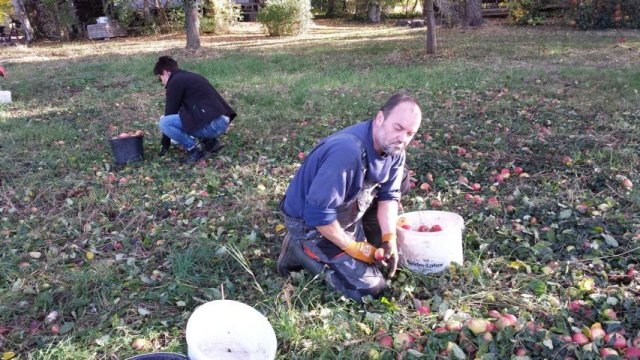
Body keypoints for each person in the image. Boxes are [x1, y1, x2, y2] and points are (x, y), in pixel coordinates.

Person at [276, 93, 422, 303]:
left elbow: (389, 197)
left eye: (410, 133)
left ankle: (353, 236)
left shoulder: (396, 149)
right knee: (370, 290)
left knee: (384, 261)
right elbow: (318, 216)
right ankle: (299, 249)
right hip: (310, 223)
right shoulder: (347, 152)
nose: (403, 138)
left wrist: (388, 237)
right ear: (380, 118)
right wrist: (353, 247)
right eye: (398, 128)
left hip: (345, 211)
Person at [153, 56, 237, 163]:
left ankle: (193, 149)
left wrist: (164, 145)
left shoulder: (174, 82)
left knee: (165, 122)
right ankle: (211, 143)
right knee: (184, 115)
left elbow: (169, 113)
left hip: (213, 125)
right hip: (222, 120)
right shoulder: (188, 76)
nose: (162, 82)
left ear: (165, 72)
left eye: (160, 77)